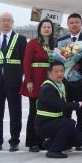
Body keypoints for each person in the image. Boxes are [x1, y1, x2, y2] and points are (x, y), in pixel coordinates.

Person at [36, 60, 82, 158]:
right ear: (49, 73)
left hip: (57, 122)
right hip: (44, 125)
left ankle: (50, 144)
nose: (60, 74)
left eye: (62, 71)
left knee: (80, 140)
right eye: (56, 71)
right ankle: (54, 151)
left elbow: (77, 88)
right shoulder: (47, 88)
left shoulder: (62, 82)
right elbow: (63, 106)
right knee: (69, 123)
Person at [0, 12, 27, 152]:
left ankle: (14, 141)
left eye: (8, 20)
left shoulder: (21, 40)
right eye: (3, 20)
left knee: (15, 113)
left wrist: (15, 74)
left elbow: (24, 61)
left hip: (14, 82)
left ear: (12, 23)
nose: (5, 23)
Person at [20, 18, 57, 152]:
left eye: (49, 27)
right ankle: (32, 142)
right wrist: (29, 80)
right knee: (34, 111)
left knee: (47, 112)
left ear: (52, 29)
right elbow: (26, 62)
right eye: (44, 27)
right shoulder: (33, 43)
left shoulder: (54, 44)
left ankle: (42, 141)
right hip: (35, 80)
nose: (46, 29)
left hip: (50, 80)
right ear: (40, 29)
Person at [58, 13, 82, 146]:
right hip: (65, 81)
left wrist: (80, 65)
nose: (74, 25)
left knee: (81, 111)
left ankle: (79, 139)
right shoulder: (61, 41)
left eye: (77, 22)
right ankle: (66, 139)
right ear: (67, 25)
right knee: (66, 111)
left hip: (81, 80)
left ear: (81, 24)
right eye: (71, 23)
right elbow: (58, 60)